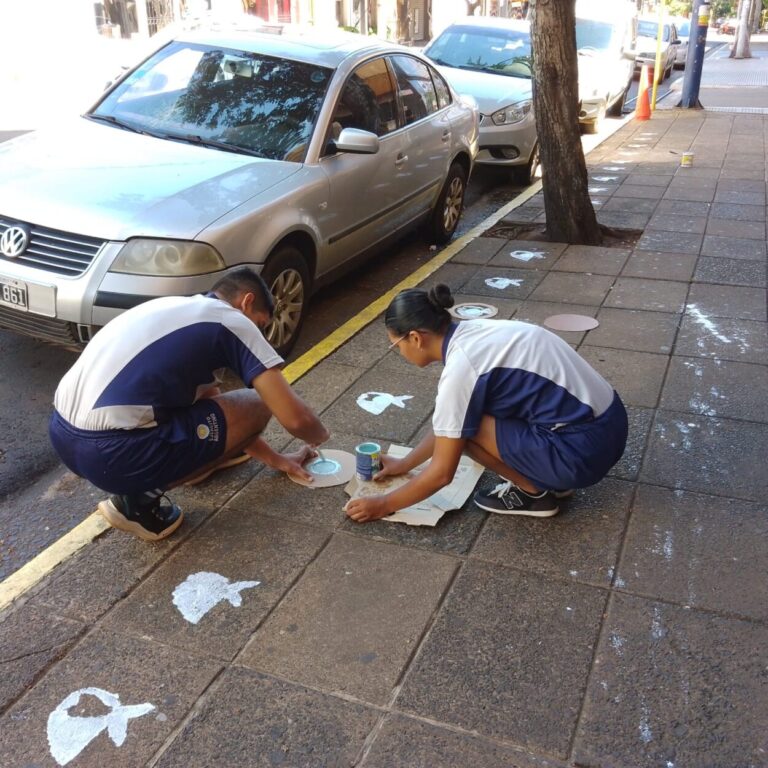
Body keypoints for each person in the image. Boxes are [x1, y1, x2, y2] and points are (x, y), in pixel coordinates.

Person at [50, 268, 329, 541]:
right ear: (247, 302)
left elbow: (219, 408)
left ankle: (198, 457)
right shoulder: (232, 321)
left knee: (222, 413)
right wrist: (322, 438)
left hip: (63, 436)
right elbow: (295, 419)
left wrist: (278, 461)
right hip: (113, 453)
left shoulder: (178, 309)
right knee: (258, 403)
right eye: (261, 325)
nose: (260, 334)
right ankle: (136, 503)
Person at [344, 284, 627, 523]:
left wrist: (384, 505)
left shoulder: (462, 369)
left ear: (415, 338)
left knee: (466, 434)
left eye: (396, 346)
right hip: (609, 427)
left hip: (584, 453)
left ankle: (533, 495)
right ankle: (552, 479)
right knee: (465, 419)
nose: (399, 353)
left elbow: (442, 473)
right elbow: (451, 422)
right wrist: (406, 463)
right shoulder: (478, 331)